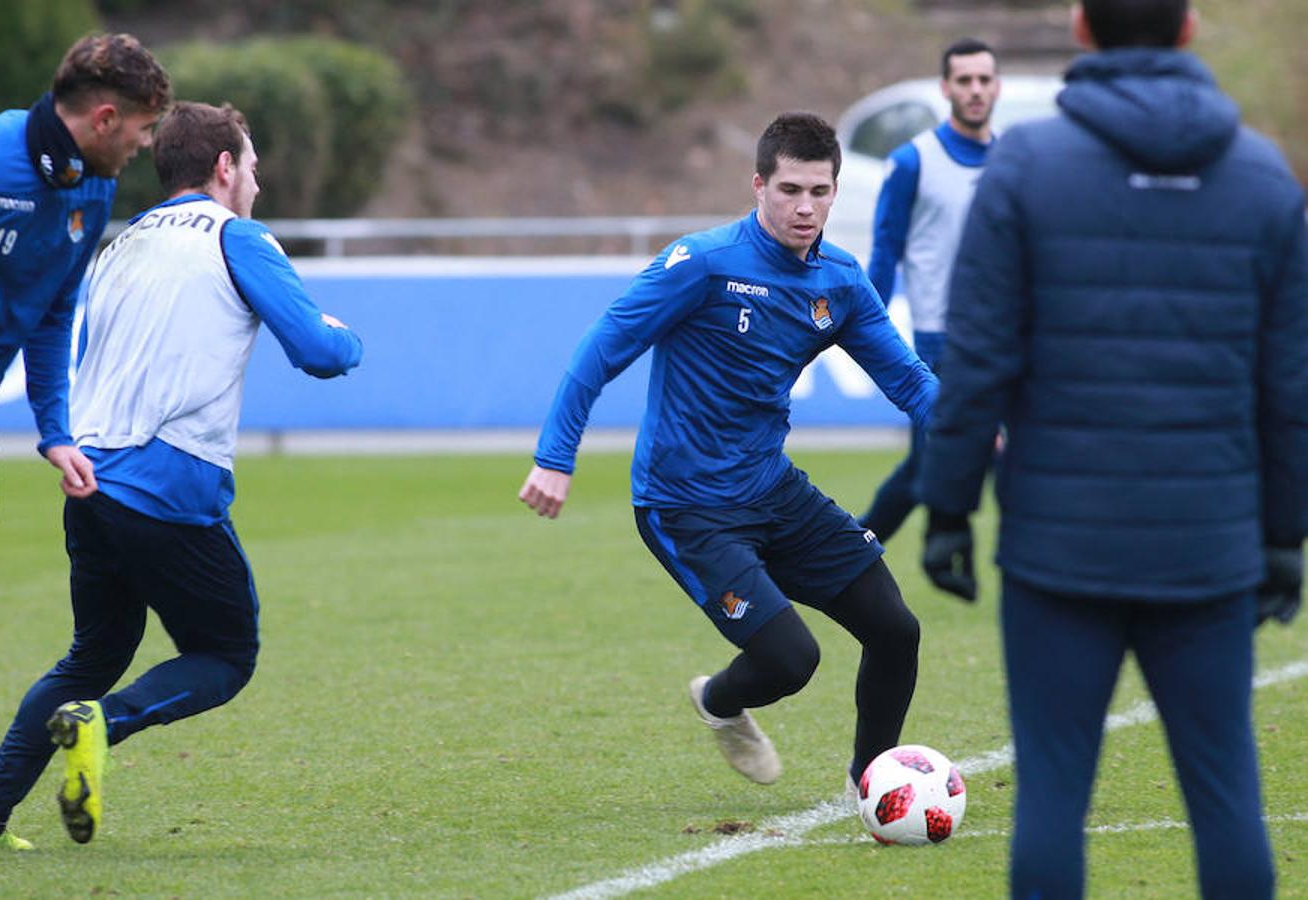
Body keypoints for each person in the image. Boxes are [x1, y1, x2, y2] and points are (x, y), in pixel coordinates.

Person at [919, 0, 1306, 896]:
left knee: (1052, 795)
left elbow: (979, 359)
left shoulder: (1024, 165)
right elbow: (1289, 383)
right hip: (1207, 548)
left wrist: (948, 505)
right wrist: (1287, 533)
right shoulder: (1261, 177)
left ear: (1082, 27)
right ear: (1191, 28)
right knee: (1226, 798)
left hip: (1061, 548)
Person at [0, 100, 363, 852]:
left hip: (90, 479)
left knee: (94, 653)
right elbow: (320, 351)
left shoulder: (120, 242)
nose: (257, 185)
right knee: (227, 654)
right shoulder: (236, 236)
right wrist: (349, 333)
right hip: (167, 481)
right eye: (251, 168)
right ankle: (99, 724)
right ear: (222, 168)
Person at [519, 112, 937, 791]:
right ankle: (719, 702)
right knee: (791, 660)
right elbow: (600, 350)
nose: (805, 207)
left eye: (820, 191)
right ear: (758, 186)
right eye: (790, 190)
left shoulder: (839, 281)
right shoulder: (704, 264)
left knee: (896, 630)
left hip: (772, 490)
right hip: (685, 506)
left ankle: (875, 785)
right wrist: (555, 457)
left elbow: (909, 380)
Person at [0, 33, 171, 690]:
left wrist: (57, 432)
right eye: (141, 129)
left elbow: (54, 312)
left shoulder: (92, 188)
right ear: (104, 119)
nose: (143, 145)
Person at [858, 38, 1000, 543]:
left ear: (996, 85)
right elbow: (883, 255)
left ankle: (1048, 581)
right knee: (927, 471)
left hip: (1004, 341)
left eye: (984, 79)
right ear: (946, 88)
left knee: (1017, 467)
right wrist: (859, 335)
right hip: (941, 343)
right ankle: (851, 553)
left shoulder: (1012, 162)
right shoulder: (912, 162)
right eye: (965, 80)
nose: (976, 89)